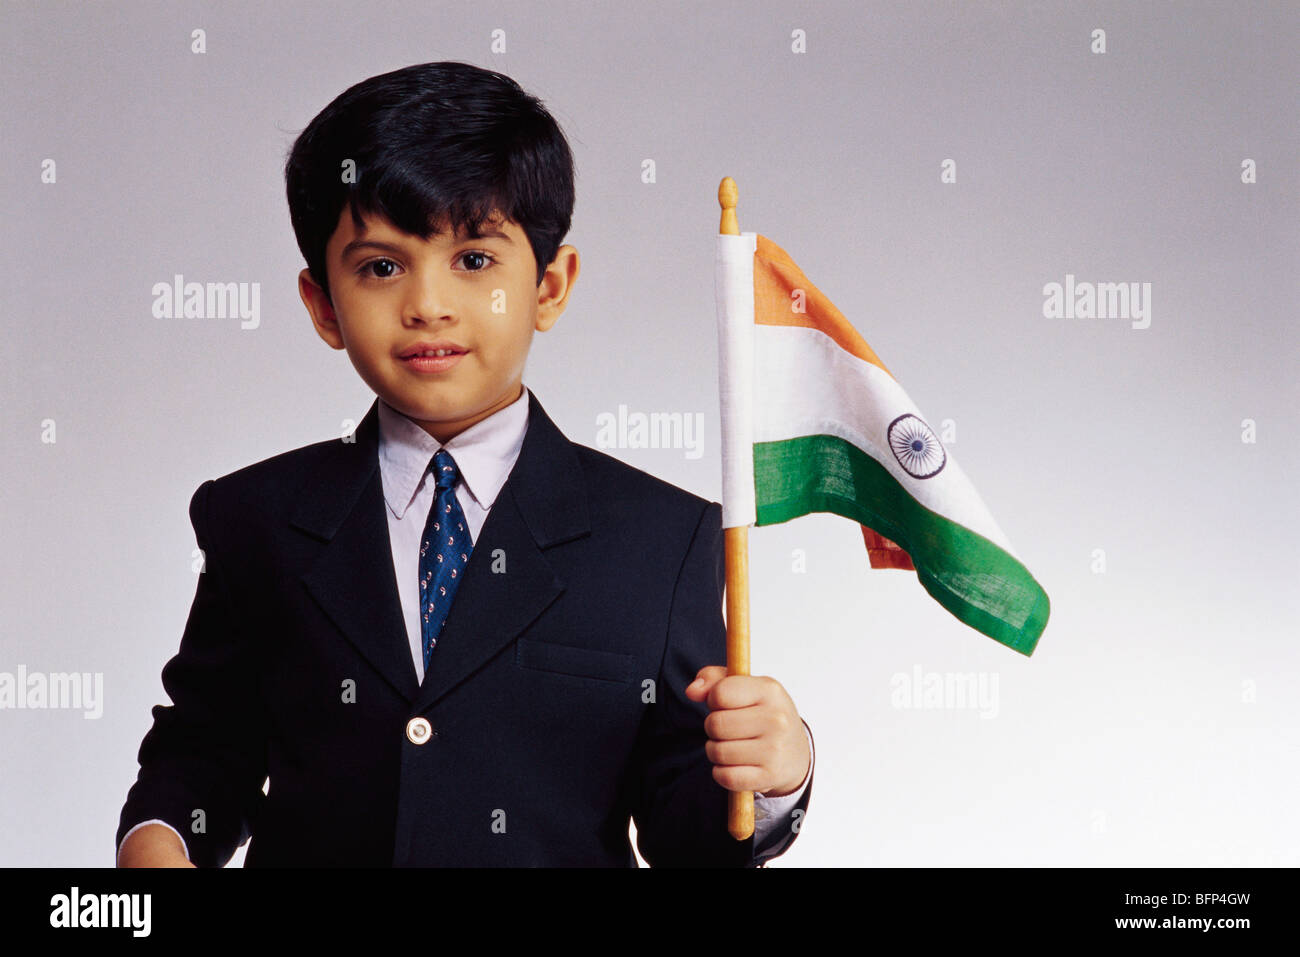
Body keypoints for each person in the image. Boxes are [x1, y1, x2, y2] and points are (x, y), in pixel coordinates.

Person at [116, 60, 813, 867]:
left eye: (474, 259)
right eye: (381, 266)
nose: (427, 304)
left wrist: (774, 778)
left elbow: (686, 830)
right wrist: (159, 842)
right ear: (321, 305)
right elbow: (205, 750)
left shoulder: (661, 540)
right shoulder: (256, 519)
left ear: (550, 285)